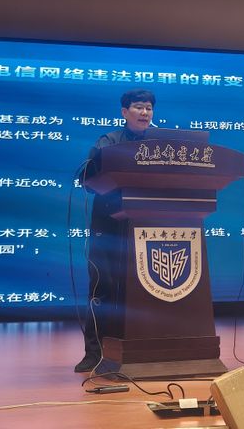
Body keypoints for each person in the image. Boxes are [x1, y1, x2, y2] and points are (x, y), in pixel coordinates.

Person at [75, 88, 156, 373]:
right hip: (108, 226)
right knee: (103, 287)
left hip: (147, 228)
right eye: (138, 107)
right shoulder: (107, 142)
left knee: (144, 289)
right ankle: (95, 352)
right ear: (124, 112)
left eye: (149, 108)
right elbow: (86, 179)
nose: (144, 112)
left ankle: (141, 349)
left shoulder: (162, 145)